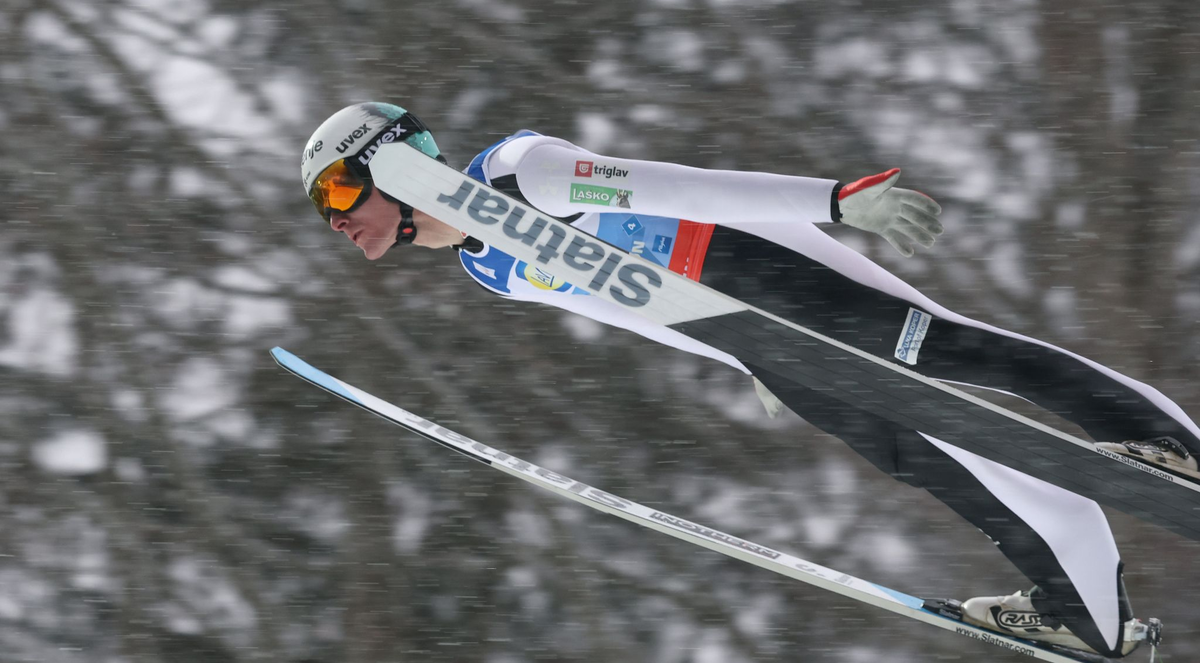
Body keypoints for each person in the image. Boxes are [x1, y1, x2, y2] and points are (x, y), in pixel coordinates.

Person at [301, 102, 1196, 657]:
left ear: (389, 160)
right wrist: (738, 353)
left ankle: (1174, 450)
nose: (337, 223)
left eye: (340, 195)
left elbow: (681, 187)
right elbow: (629, 304)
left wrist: (833, 201)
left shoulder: (517, 172)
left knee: (955, 355)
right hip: (746, 331)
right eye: (323, 212)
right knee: (928, 456)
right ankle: (1085, 610)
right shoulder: (485, 268)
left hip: (753, 262)